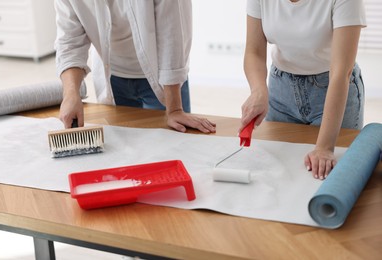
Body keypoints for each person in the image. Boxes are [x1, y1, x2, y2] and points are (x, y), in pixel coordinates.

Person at [242, 0, 366, 180]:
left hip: (333, 89)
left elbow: (341, 73)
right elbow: (254, 51)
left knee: (332, 176)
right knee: (280, 171)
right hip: (280, 89)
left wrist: (324, 147)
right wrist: (258, 90)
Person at [54, 0, 216, 134]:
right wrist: (71, 94)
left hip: (163, 80)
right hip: (114, 77)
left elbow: (171, 30)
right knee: (125, 150)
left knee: (173, 145)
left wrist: (174, 109)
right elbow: (69, 40)